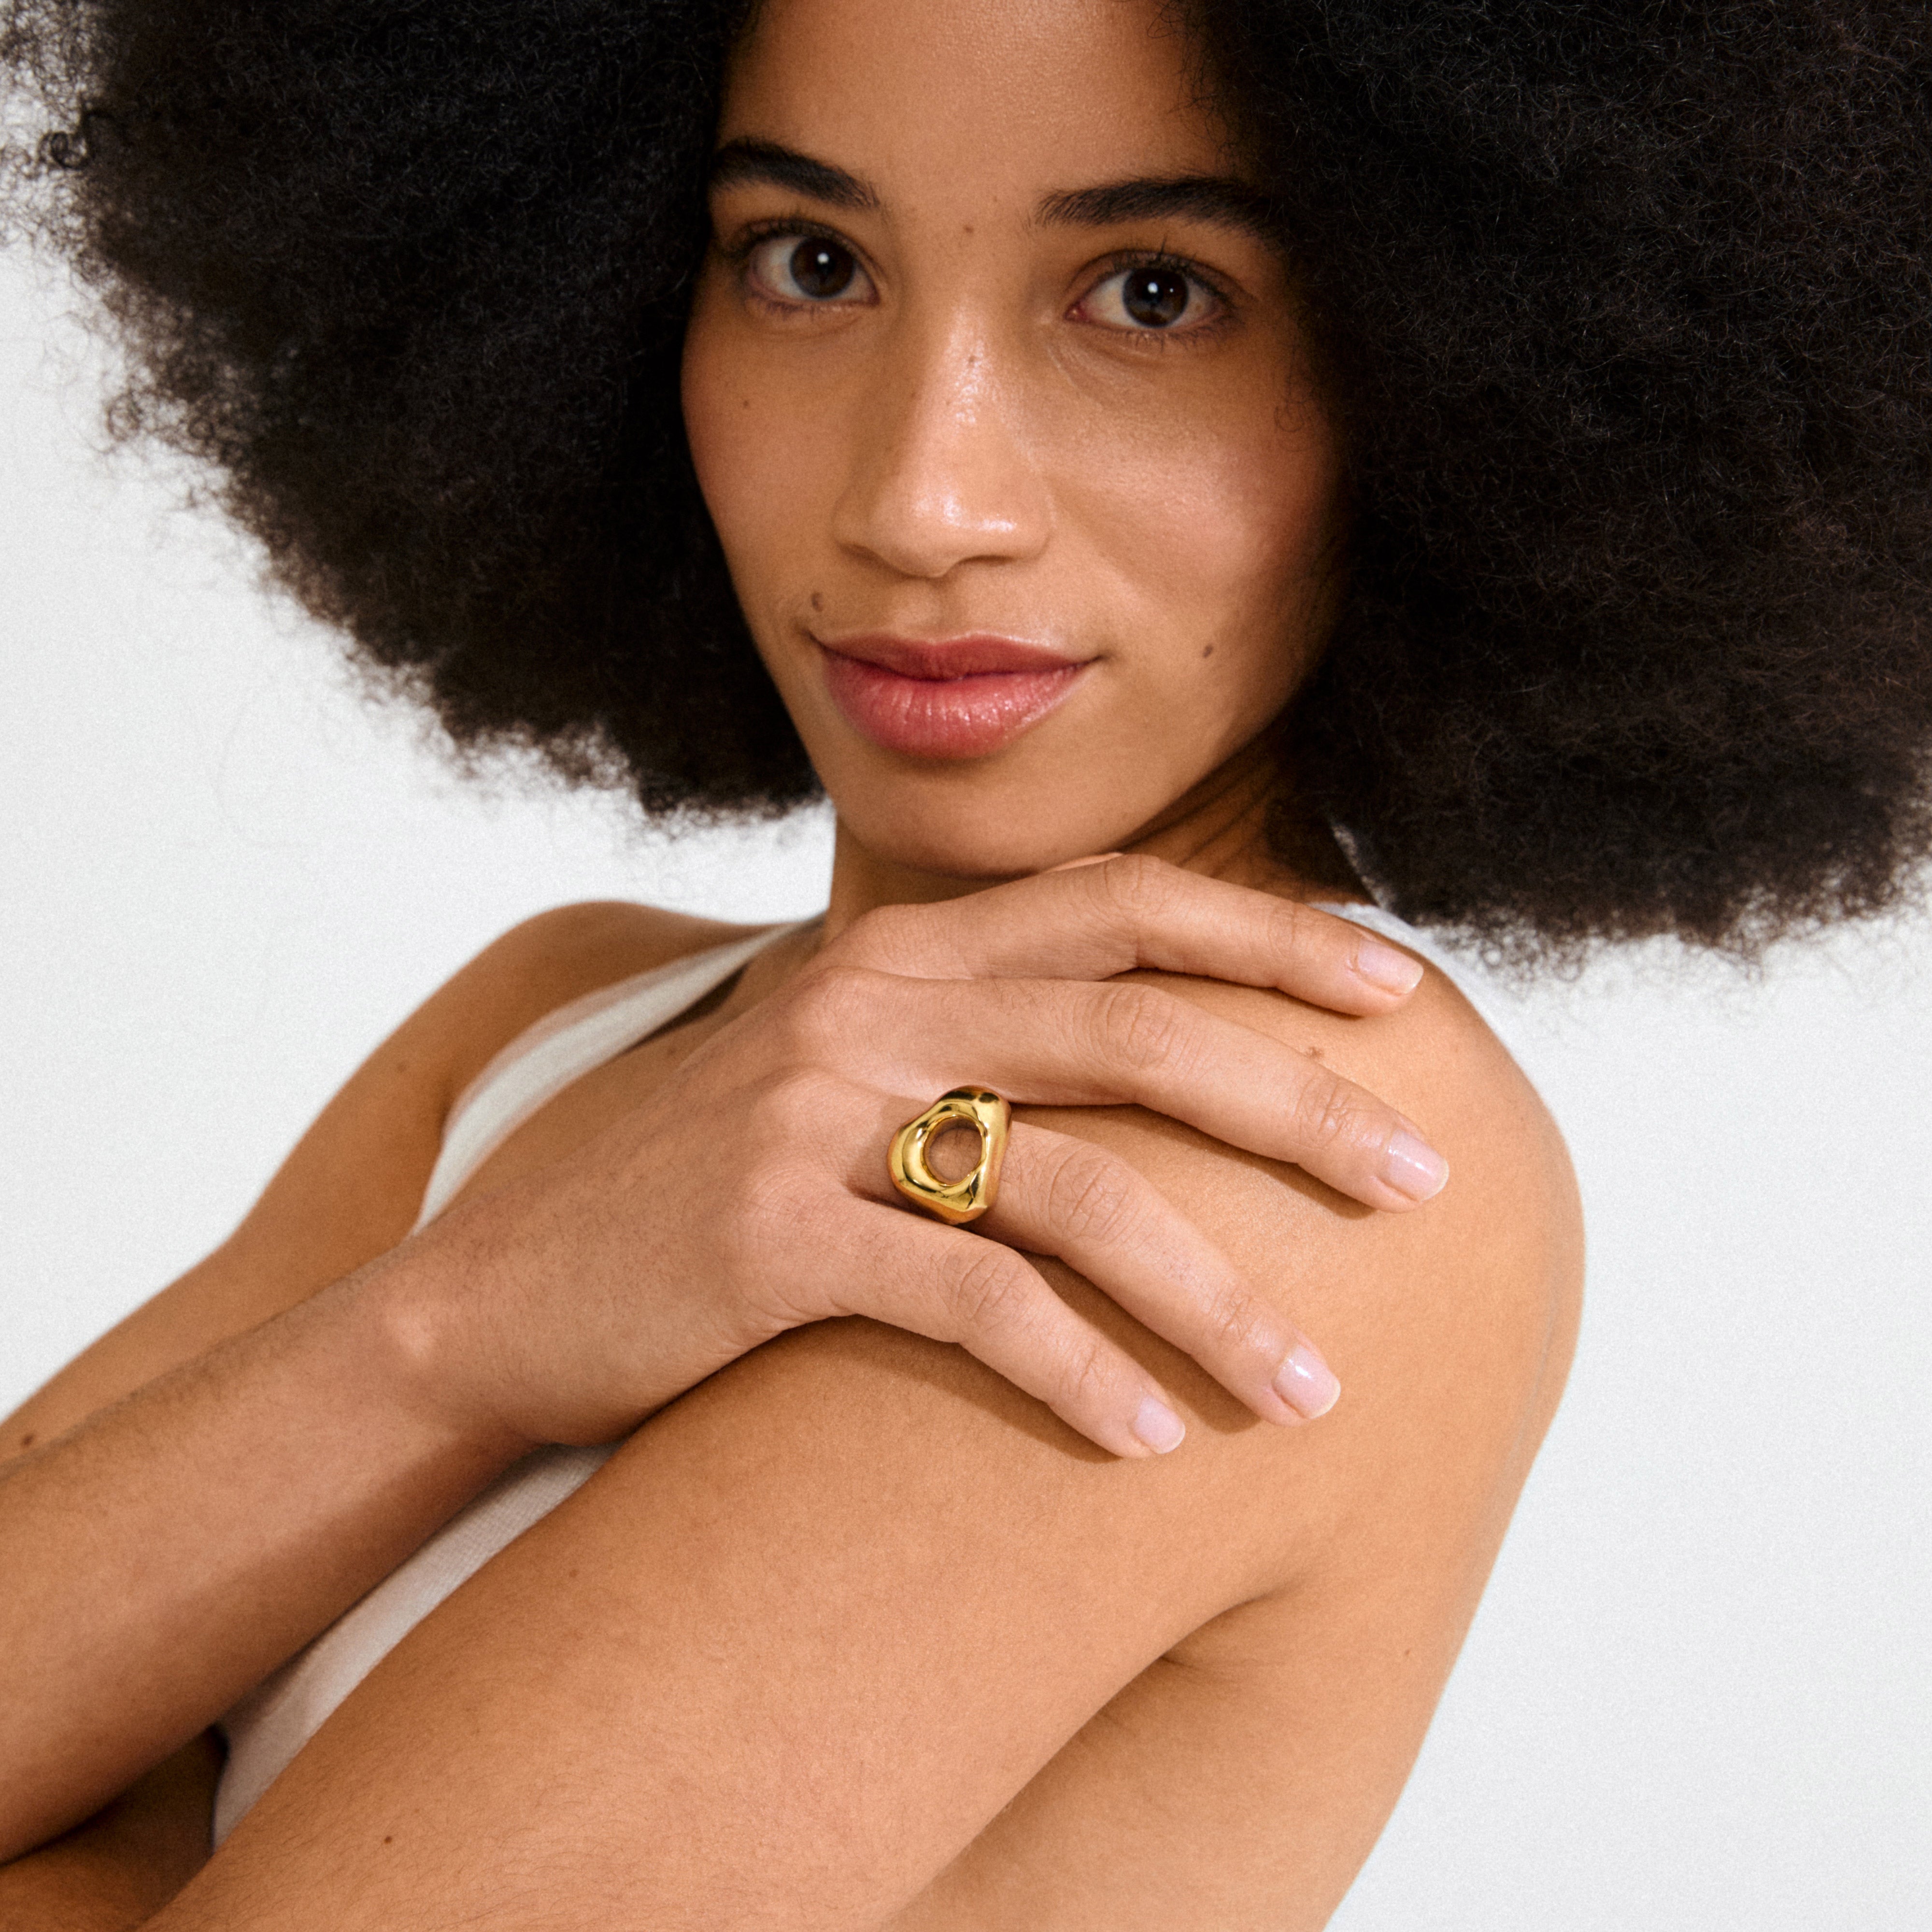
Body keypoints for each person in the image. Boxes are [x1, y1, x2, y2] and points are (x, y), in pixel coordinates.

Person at [1, 0, 1926, 1925]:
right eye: (810, 263)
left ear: (1448, 375)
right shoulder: (557, 1028)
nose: (924, 498)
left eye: (1153, 294)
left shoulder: (1291, 1163)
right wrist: (467, 1324)